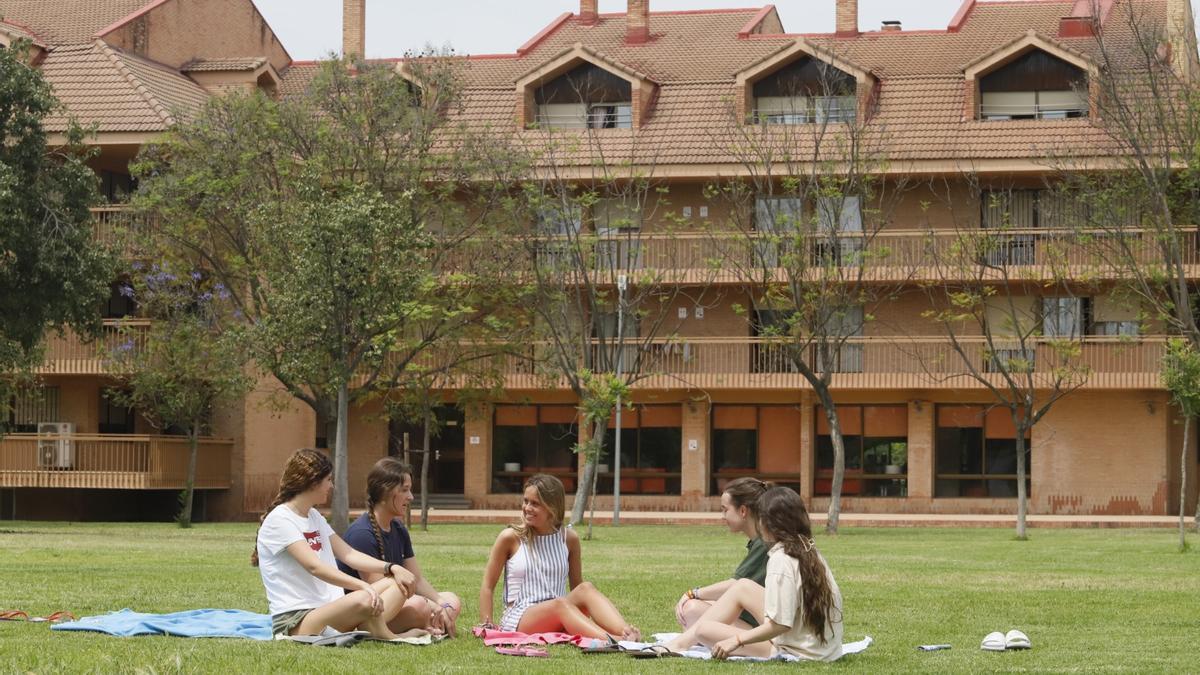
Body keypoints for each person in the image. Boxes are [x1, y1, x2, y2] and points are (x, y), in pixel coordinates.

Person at [661, 487, 843, 661]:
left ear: (770, 523)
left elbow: (780, 625)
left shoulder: (781, 559)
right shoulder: (808, 548)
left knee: (704, 629)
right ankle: (679, 643)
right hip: (820, 648)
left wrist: (737, 640)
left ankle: (679, 644)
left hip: (797, 651)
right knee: (743, 586)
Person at [252, 448, 417, 638]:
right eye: (328, 480)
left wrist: (392, 567)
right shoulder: (280, 520)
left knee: (399, 583)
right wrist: (362, 586)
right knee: (364, 598)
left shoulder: (314, 516)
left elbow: (349, 554)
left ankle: (370, 629)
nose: (331, 486)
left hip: (328, 609)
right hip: (296, 620)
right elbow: (315, 567)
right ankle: (384, 634)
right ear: (313, 482)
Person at [479, 473, 640, 641]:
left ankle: (627, 633)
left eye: (535, 504)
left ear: (552, 508)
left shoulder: (568, 539)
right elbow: (487, 586)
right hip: (521, 618)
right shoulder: (510, 537)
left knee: (586, 588)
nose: (527, 508)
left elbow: (578, 589)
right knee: (560, 604)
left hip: (560, 610)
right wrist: (487, 626)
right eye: (526, 501)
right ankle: (614, 641)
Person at [338, 457, 461, 636]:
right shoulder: (361, 533)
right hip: (370, 611)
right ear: (385, 492)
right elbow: (379, 590)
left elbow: (416, 579)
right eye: (405, 490)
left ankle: (426, 624)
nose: (410, 497)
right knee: (420, 606)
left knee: (451, 601)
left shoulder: (398, 528)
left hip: (399, 601)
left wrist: (440, 602)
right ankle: (420, 624)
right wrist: (429, 605)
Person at [675, 477, 771, 629]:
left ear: (743, 510)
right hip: (759, 618)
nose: (722, 516)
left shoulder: (763, 543)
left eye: (725, 509)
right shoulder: (761, 540)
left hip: (760, 628)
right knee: (702, 607)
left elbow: (734, 586)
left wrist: (692, 593)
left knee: (691, 609)